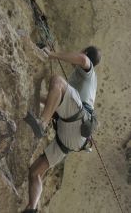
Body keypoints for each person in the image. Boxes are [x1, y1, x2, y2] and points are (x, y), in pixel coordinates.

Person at [22, 46, 101, 213]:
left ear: (85, 52)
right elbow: (52, 99)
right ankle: (32, 208)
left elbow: (82, 60)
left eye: (82, 52)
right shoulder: (79, 82)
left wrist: (51, 54)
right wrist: (31, 93)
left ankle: (42, 124)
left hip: (76, 121)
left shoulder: (89, 71)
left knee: (57, 81)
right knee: (35, 172)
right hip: (71, 139)